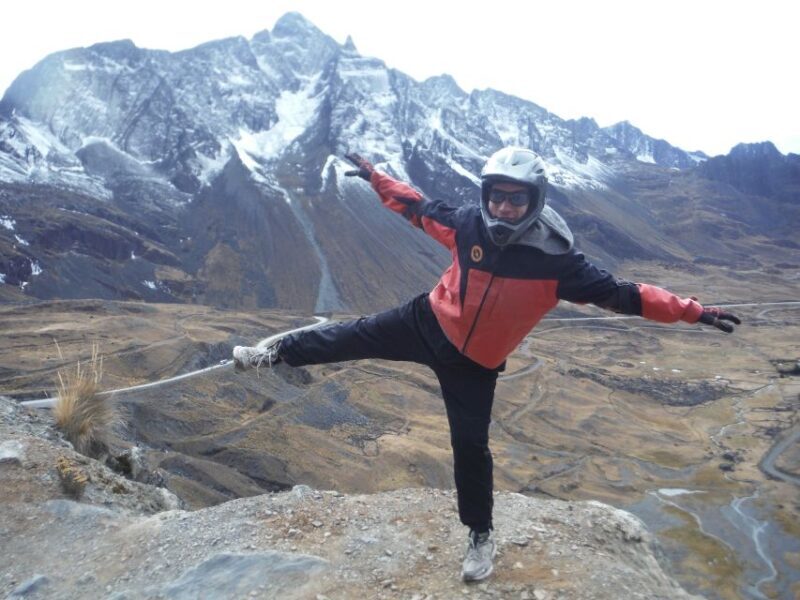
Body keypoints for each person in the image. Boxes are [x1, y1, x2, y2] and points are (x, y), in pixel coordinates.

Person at [233, 147, 741, 582]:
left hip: (474, 364)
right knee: (352, 336)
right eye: (496, 194)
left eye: (515, 197)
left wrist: (694, 312)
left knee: (470, 446)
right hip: (428, 320)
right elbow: (417, 207)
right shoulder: (469, 223)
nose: (502, 205)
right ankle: (271, 354)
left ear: (534, 201)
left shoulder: (558, 263)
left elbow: (628, 296)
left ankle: (480, 536)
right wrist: (374, 177)